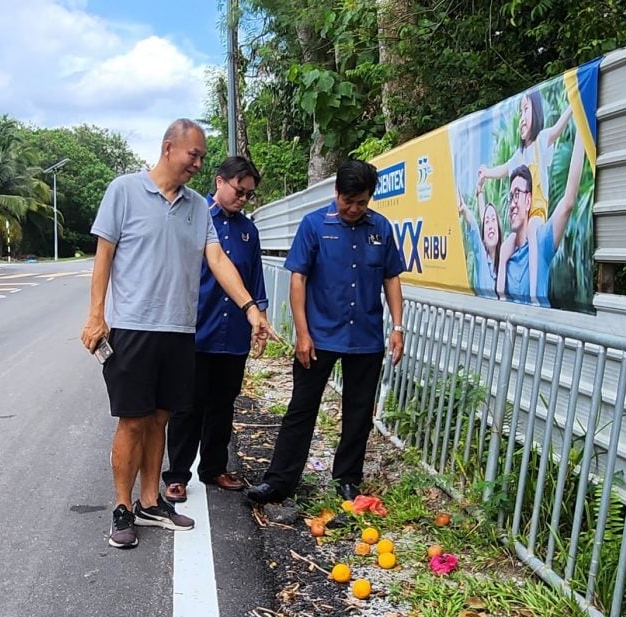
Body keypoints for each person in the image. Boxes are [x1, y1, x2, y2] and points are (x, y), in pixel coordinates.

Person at [81, 119, 269, 549]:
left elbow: (218, 260)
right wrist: (96, 316)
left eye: (202, 157)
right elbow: (103, 256)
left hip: (181, 329)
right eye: (194, 155)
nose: (199, 165)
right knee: (133, 420)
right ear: (169, 148)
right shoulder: (124, 191)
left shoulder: (197, 207)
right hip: (133, 327)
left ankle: (151, 502)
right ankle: (123, 509)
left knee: (162, 417)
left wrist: (250, 308)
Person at [246, 159, 405, 505]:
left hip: (365, 338)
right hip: (318, 337)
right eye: (348, 201)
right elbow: (298, 279)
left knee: (359, 412)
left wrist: (397, 327)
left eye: (361, 202)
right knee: (301, 409)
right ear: (336, 193)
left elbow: (392, 277)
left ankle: (347, 479)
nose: (353, 209)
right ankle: (279, 481)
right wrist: (303, 333)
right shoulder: (314, 225)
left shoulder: (380, 228)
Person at [162, 156, 267, 503]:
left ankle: (213, 467)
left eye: (249, 195)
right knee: (187, 407)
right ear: (220, 181)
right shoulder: (193, 218)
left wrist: (258, 323)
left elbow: (254, 284)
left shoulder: (248, 232)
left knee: (223, 405)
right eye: (240, 191)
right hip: (195, 332)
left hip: (232, 335)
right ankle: (177, 474)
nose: (243, 199)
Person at [479, 91, 573, 302]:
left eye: (526, 109)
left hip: (537, 210)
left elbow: (559, 128)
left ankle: (534, 296)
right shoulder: (518, 156)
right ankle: (500, 297)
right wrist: (486, 172)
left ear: (536, 112)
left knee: (532, 231)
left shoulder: (541, 141)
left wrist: (573, 105)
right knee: (506, 248)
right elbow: (502, 170)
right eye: (520, 111)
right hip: (522, 216)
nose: (522, 118)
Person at [497, 140, 584, 304]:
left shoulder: (541, 241)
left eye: (517, 194)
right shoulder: (507, 252)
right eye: (510, 197)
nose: (513, 203)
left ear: (529, 200)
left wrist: (582, 131)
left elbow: (568, 203)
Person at [457, 180, 501, 298]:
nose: (491, 225)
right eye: (487, 222)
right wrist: (465, 210)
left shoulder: (505, 261)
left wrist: (480, 192)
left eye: (493, 220)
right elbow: (476, 229)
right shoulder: (481, 257)